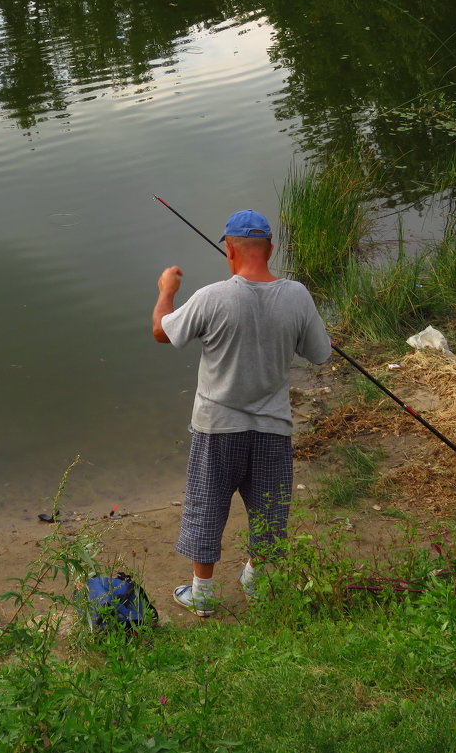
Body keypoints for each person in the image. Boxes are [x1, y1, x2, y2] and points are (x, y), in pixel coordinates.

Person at [151, 208, 332, 617]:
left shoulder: (212, 296)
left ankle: (202, 593)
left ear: (229, 250)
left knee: (207, 503)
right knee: (270, 506)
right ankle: (257, 579)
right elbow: (320, 353)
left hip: (217, 426)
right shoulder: (298, 295)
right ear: (270, 248)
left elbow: (162, 332)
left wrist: (166, 290)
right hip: (273, 426)